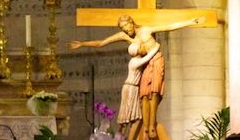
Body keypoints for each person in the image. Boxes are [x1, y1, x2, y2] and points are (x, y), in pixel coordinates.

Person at [70, 14, 204, 140]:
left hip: (156, 60)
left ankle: (152, 125)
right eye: (122, 28)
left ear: (131, 23)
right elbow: (102, 42)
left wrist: (190, 22)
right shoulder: (125, 37)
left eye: (126, 26)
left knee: (154, 91)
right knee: (144, 94)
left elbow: (169, 26)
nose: (125, 30)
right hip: (144, 65)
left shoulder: (146, 30)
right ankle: (147, 127)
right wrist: (82, 44)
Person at [119, 41, 160, 140]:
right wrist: (156, 47)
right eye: (140, 47)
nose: (143, 48)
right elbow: (148, 57)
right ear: (137, 51)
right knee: (134, 118)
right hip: (131, 88)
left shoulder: (135, 60)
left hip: (132, 88)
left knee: (131, 117)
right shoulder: (135, 61)